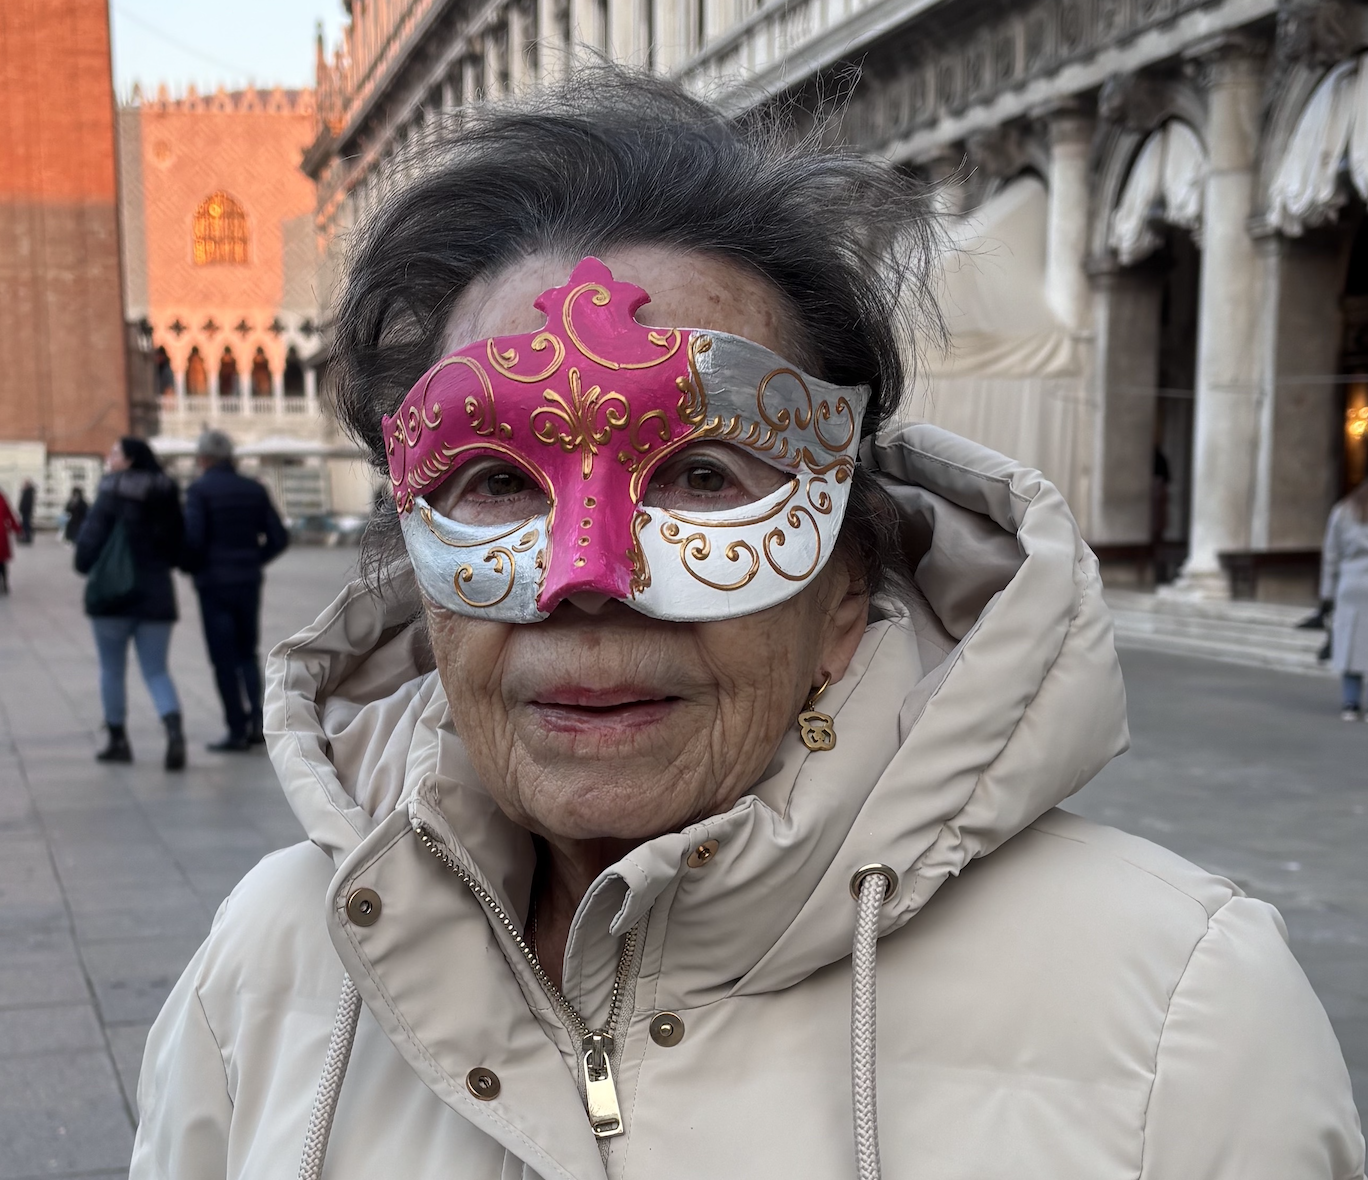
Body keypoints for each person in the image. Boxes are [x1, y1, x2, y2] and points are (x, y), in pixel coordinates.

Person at [130, 77, 1365, 1180]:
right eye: (497, 481)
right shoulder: (273, 964)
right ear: (421, 577)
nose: (585, 576)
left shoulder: (1181, 1019)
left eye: (705, 478)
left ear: (846, 588)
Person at [75, 438, 187, 770]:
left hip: (112, 595)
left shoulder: (110, 491)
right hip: (156, 594)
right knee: (156, 670)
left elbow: (89, 542)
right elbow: (179, 545)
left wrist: (85, 564)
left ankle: (118, 740)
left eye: (114, 453)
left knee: (112, 669)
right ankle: (173, 731)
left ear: (129, 460)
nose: (109, 459)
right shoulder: (166, 492)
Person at [183, 429, 288, 751]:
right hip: (247, 581)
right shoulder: (252, 490)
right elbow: (279, 537)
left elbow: (195, 540)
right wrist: (253, 560)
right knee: (246, 653)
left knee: (223, 658)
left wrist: (192, 565)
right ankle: (258, 722)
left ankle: (236, 728)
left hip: (213, 584)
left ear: (203, 459)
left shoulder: (199, 491)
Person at [1320, 479, 1368, 720]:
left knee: (1350, 644)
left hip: (1350, 584)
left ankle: (1351, 704)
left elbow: (1331, 555)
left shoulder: (1342, 511)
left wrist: (1326, 594)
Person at [0, 488, 20, 593]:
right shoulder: (3, 498)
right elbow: (10, 516)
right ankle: (5, 584)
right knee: (2, 561)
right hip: (1, 534)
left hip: (1, 534)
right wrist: (17, 528)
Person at [17, 478, 35, 543]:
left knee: (26, 524)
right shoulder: (27, 492)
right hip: (25, 511)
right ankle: (26, 537)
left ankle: (27, 537)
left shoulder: (28, 492)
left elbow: (26, 503)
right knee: (25, 524)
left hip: (26, 511)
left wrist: (22, 509)